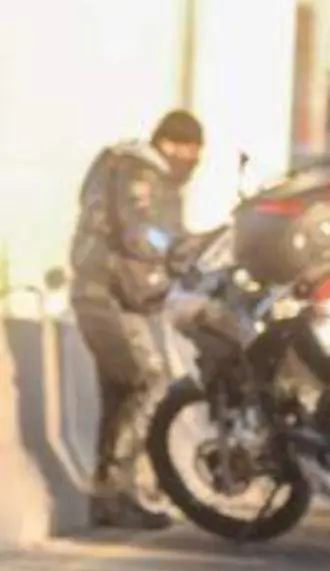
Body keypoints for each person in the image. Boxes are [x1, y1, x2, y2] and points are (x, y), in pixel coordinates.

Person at [66, 109, 205, 529]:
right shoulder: (138, 173)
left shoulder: (130, 168)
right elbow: (139, 230)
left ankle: (111, 494)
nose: (193, 161)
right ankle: (118, 491)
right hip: (105, 294)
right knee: (147, 381)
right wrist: (180, 250)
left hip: (115, 295)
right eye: (191, 151)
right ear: (171, 144)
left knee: (124, 390)